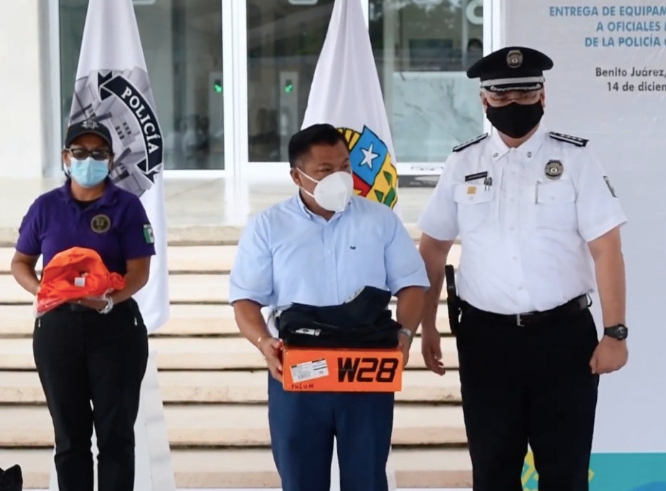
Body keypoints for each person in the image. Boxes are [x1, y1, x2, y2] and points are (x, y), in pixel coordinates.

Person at [416, 46, 629, 491]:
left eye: (525, 93)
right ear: (484, 100)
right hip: (486, 340)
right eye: (501, 95)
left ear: (543, 96)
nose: (513, 104)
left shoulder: (576, 159)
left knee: (565, 472)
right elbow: (433, 248)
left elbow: (606, 248)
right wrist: (427, 325)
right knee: (492, 470)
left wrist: (615, 332)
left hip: (563, 338)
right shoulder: (463, 162)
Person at [228, 123, 429, 491]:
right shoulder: (268, 227)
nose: (339, 178)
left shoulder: (380, 220)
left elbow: (412, 284)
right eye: (325, 170)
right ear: (297, 175)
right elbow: (245, 297)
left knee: (367, 478)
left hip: (366, 364)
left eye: (345, 167)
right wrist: (262, 342)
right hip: (298, 365)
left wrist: (405, 333)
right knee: (300, 479)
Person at [9, 117, 156, 491]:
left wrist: (109, 300)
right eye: (80, 152)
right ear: (66, 157)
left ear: (111, 160)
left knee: (115, 436)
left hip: (115, 327)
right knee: (69, 436)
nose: (89, 160)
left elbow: (139, 272)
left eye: (98, 153)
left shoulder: (127, 207)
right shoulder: (45, 207)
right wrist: (42, 290)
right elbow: (20, 262)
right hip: (58, 329)